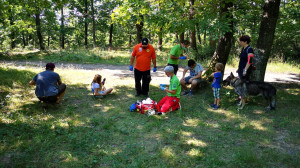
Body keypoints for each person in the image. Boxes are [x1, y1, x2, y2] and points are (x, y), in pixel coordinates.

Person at [236, 35, 254, 103]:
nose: (240, 43)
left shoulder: (249, 49)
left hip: (245, 70)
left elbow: (250, 61)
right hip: (241, 69)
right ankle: (241, 98)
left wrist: (245, 70)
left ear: (246, 42)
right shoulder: (243, 48)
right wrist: (239, 69)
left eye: (241, 41)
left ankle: (245, 100)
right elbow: (242, 60)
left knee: (244, 85)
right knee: (241, 84)